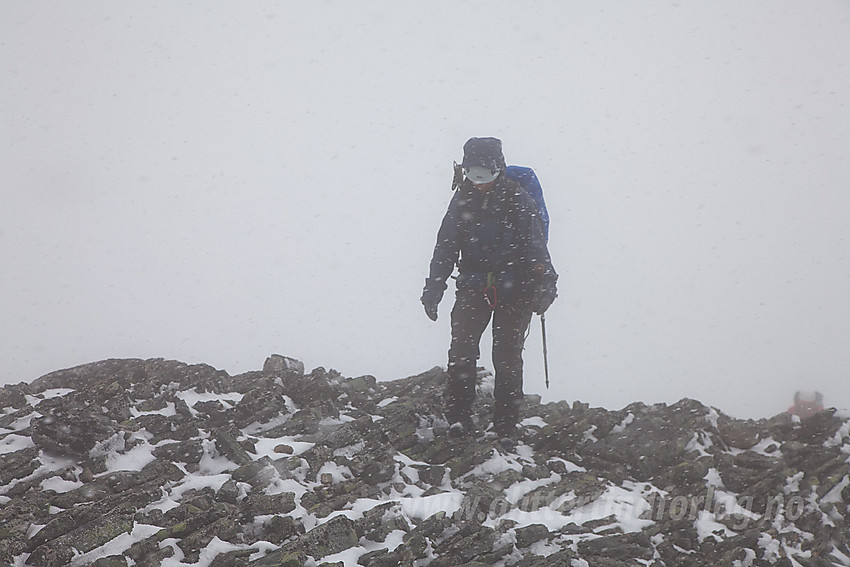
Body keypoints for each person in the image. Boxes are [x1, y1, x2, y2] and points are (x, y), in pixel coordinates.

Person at [420, 137, 558, 440]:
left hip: (516, 288)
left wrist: (546, 283)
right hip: (472, 285)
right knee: (462, 350)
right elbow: (445, 247)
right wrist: (434, 287)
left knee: (507, 356)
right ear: (463, 171)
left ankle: (505, 427)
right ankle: (459, 419)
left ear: (500, 170)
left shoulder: (519, 200)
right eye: (472, 175)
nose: (479, 182)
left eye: (485, 175)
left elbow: (536, 249)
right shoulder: (461, 200)